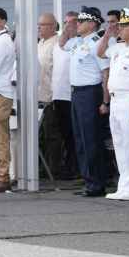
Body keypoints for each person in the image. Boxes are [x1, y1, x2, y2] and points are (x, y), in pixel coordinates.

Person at [97, 9, 129, 200]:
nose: (119, 28)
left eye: (123, 26)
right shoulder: (119, 47)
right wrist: (107, 35)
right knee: (119, 144)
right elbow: (100, 52)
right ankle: (123, 186)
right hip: (116, 99)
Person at [59, 7, 110, 197]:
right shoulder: (77, 42)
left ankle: (97, 183)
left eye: (80, 21)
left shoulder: (97, 43)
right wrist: (68, 26)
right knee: (80, 139)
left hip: (91, 93)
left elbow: (105, 73)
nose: (77, 24)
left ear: (92, 23)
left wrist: (105, 101)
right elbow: (62, 43)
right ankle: (89, 181)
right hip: (77, 94)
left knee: (91, 139)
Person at [52, 11, 78, 179]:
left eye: (72, 22)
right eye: (66, 21)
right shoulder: (58, 44)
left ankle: (75, 168)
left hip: (72, 95)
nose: (68, 25)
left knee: (74, 134)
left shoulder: (77, 43)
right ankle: (68, 166)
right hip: (58, 95)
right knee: (63, 133)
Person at [37, 13, 62, 177]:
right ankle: (42, 167)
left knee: (52, 135)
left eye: (43, 25)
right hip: (38, 96)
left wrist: (54, 95)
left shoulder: (57, 43)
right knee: (41, 135)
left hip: (51, 97)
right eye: (39, 25)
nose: (39, 28)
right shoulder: (40, 43)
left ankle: (54, 169)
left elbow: (57, 72)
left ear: (53, 26)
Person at [0, 7, 15, 192]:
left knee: (0, 136)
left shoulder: (3, 41)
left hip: (1, 94)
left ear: (1, 20)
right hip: (0, 93)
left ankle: (2, 177)